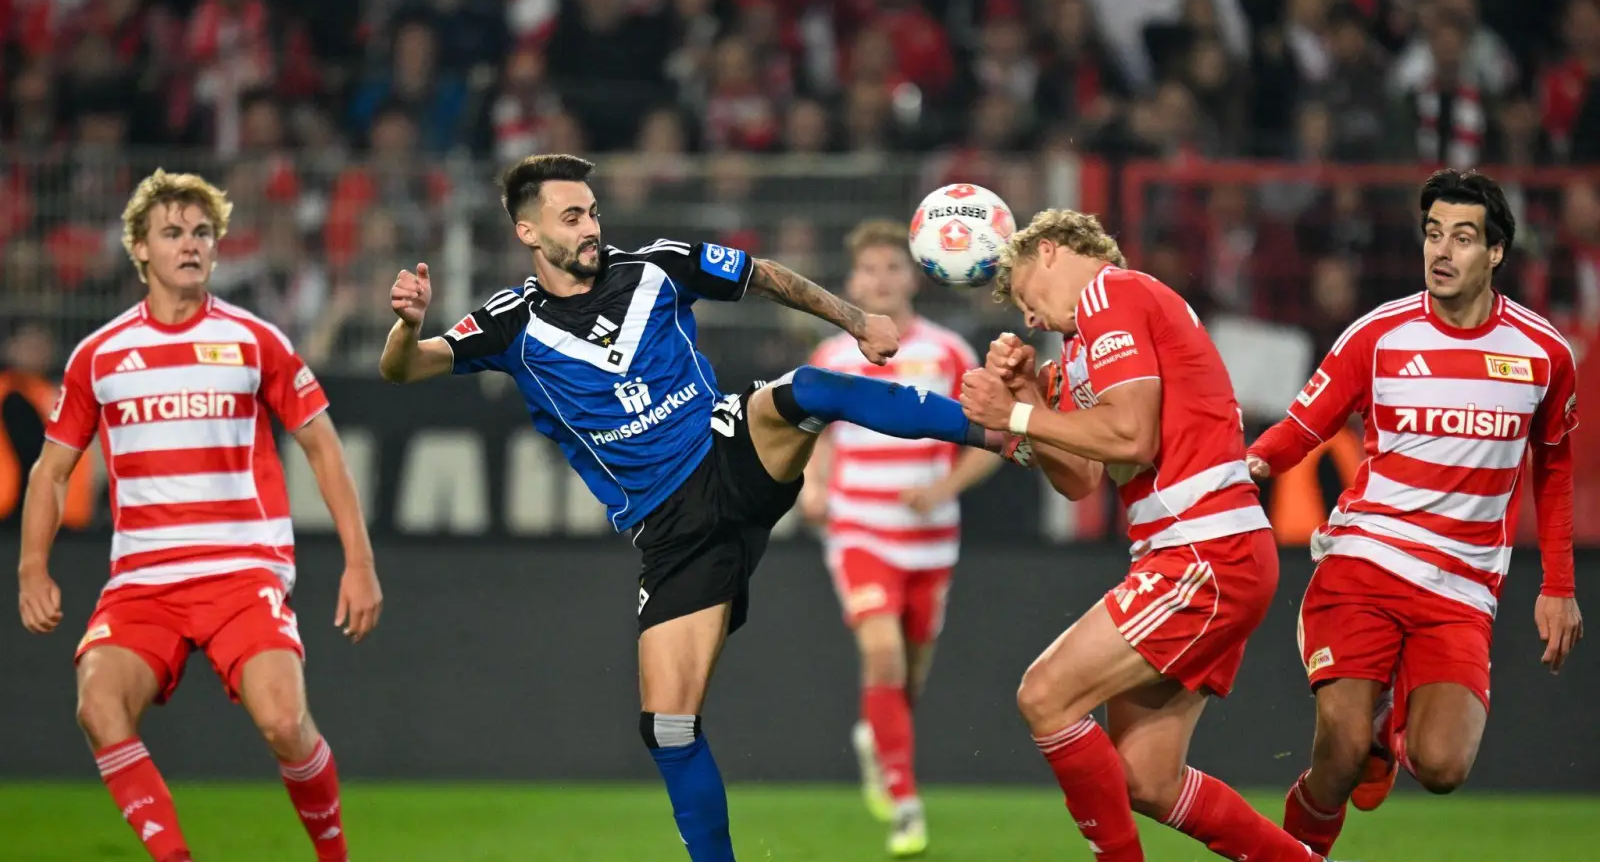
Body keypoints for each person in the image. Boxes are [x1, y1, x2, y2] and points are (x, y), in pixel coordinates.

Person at [378, 154, 1012, 862]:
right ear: (528, 232)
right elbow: (404, 367)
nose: (591, 228)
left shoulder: (657, 265)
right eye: (571, 217)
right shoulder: (508, 324)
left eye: (592, 212)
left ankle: (1003, 431)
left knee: (807, 390)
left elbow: (761, 274)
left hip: (725, 454)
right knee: (670, 729)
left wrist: (856, 316)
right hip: (672, 535)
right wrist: (406, 325)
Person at [15, 170, 383, 862]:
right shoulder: (99, 355)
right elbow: (51, 469)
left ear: (216, 248)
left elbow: (323, 448)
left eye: (202, 233)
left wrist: (360, 563)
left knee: (283, 722)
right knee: (98, 706)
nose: (190, 245)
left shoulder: (255, 340)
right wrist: (32, 565)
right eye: (173, 233)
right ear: (141, 250)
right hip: (144, 583)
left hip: (242, 573)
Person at [961, 208, 1335, 862]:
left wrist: (1016, 413)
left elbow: (1133, 435)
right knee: (1146, 779)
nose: (1029, 318)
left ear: (1050, 251)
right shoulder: (1085, 344)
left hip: (1202, 549)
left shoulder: (1112, 292)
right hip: (1201, 550)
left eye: (1024, 294)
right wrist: (1032, 409)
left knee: (1045, 695)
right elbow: (1079, 478)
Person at [1248, 169, 1583, 856]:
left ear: (1495, 253)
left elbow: (1553, 465)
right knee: (1337, 756)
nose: (1442, 251)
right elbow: (1303, 427)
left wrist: (1558, 585)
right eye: (1433, 234)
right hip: (1364, 560)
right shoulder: (1380, 334)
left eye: (1462, 238)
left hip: (1461, 588)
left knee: (1442, 766)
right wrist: (1249, 465)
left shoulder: (1543, 353)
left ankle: (1386, 729)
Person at [798, 220, 1001, 857]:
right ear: (851, 282)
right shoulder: (832, 357)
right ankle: (906, 805)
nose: (880, 280)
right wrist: (812, 489)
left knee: (908, 678)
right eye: (868, 271)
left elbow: (995, 439)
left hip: (931, 537)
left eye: (891, 268)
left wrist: (943, 490)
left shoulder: (947, 353)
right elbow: (811, 436)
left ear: (913, 275)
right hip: (861, 528)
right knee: (881, 654)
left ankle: (877, 739)